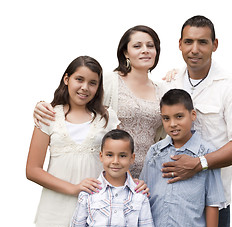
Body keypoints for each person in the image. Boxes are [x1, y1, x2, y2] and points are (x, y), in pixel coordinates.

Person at [161, 15, 232, 227]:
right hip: (171, 199)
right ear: (179, 44)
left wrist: (199, 164)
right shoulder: (168, 83)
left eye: (202, 42)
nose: (194, 49)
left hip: (213, 202)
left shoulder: (231, 87)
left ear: (215, 45)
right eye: (188, 42)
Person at [33, 25, 164, 179]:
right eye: (137, 46)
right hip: (110, 174)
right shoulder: (109, 81)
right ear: (125, 53)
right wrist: (43, 105)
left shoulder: (163, 90)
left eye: (150, 46)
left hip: (150, 173)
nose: (145, 50)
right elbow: (79, 101)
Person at [27, 56, 122, 227]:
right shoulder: (48, 115)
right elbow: (32, 169)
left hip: (96, 215)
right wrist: (74, 188)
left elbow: (118, 162)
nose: (85, 87)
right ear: (66, 79)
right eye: (79, 79)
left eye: (92, 83)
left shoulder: (108, 118)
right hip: (54, 215)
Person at [140, 89, 226, 227]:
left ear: (193, 115)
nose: (172, 124)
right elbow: (143, 196)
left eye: (179, 116)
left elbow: (212, 204)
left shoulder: (207, 154)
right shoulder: (154, 153)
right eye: (166, 118)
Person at [69, 129, 155, 227]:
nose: (115, 161)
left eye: (122, 156)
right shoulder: (89, 192)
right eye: (109, 155)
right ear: (101, 156)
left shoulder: (140, 195)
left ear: (132, 158)